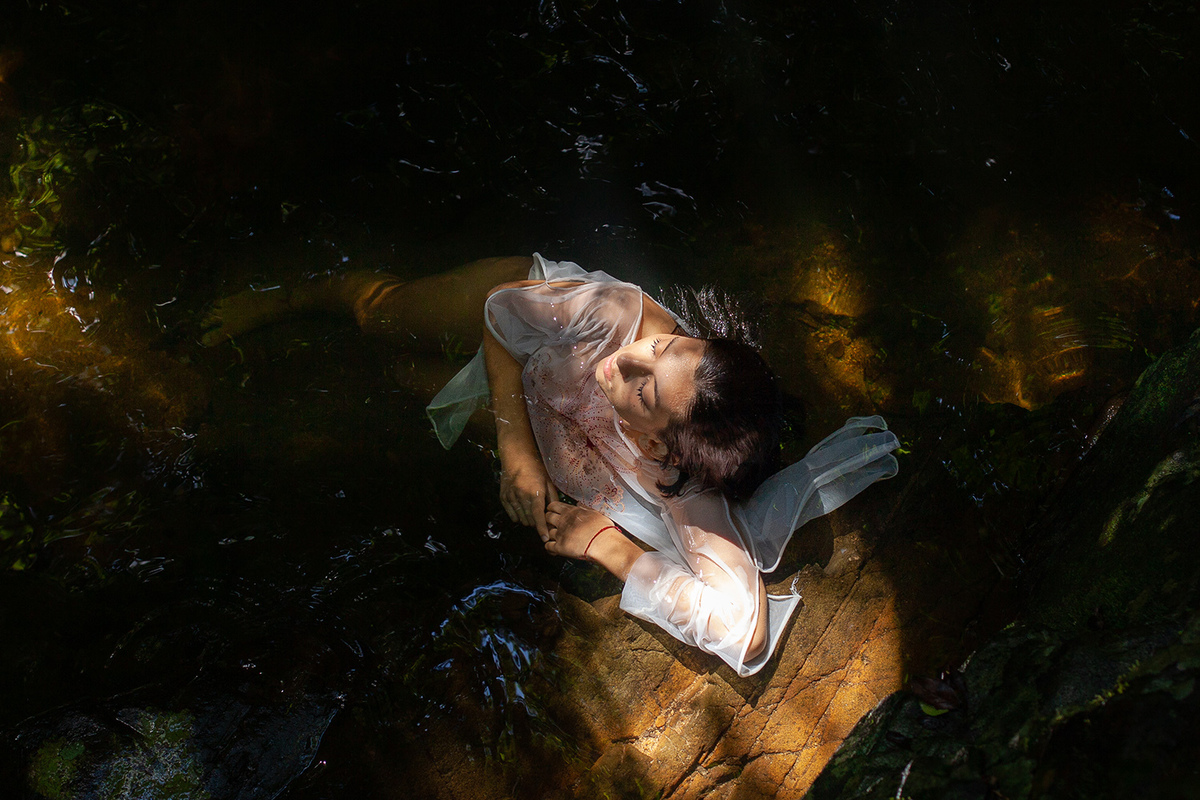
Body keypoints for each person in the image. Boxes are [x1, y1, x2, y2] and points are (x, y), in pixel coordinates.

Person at [204, 253, 900, 676]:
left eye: (644, 386)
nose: (629, 359)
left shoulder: (678, 481)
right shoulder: (610, 319)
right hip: (535, 331)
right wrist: (516, 452)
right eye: (667, 348)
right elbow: (503, 318)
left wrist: (613, 550)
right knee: (381, 318)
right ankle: (290, 299)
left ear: (658, 446)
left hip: (554, 416)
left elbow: (742, 629)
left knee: (400, 382)